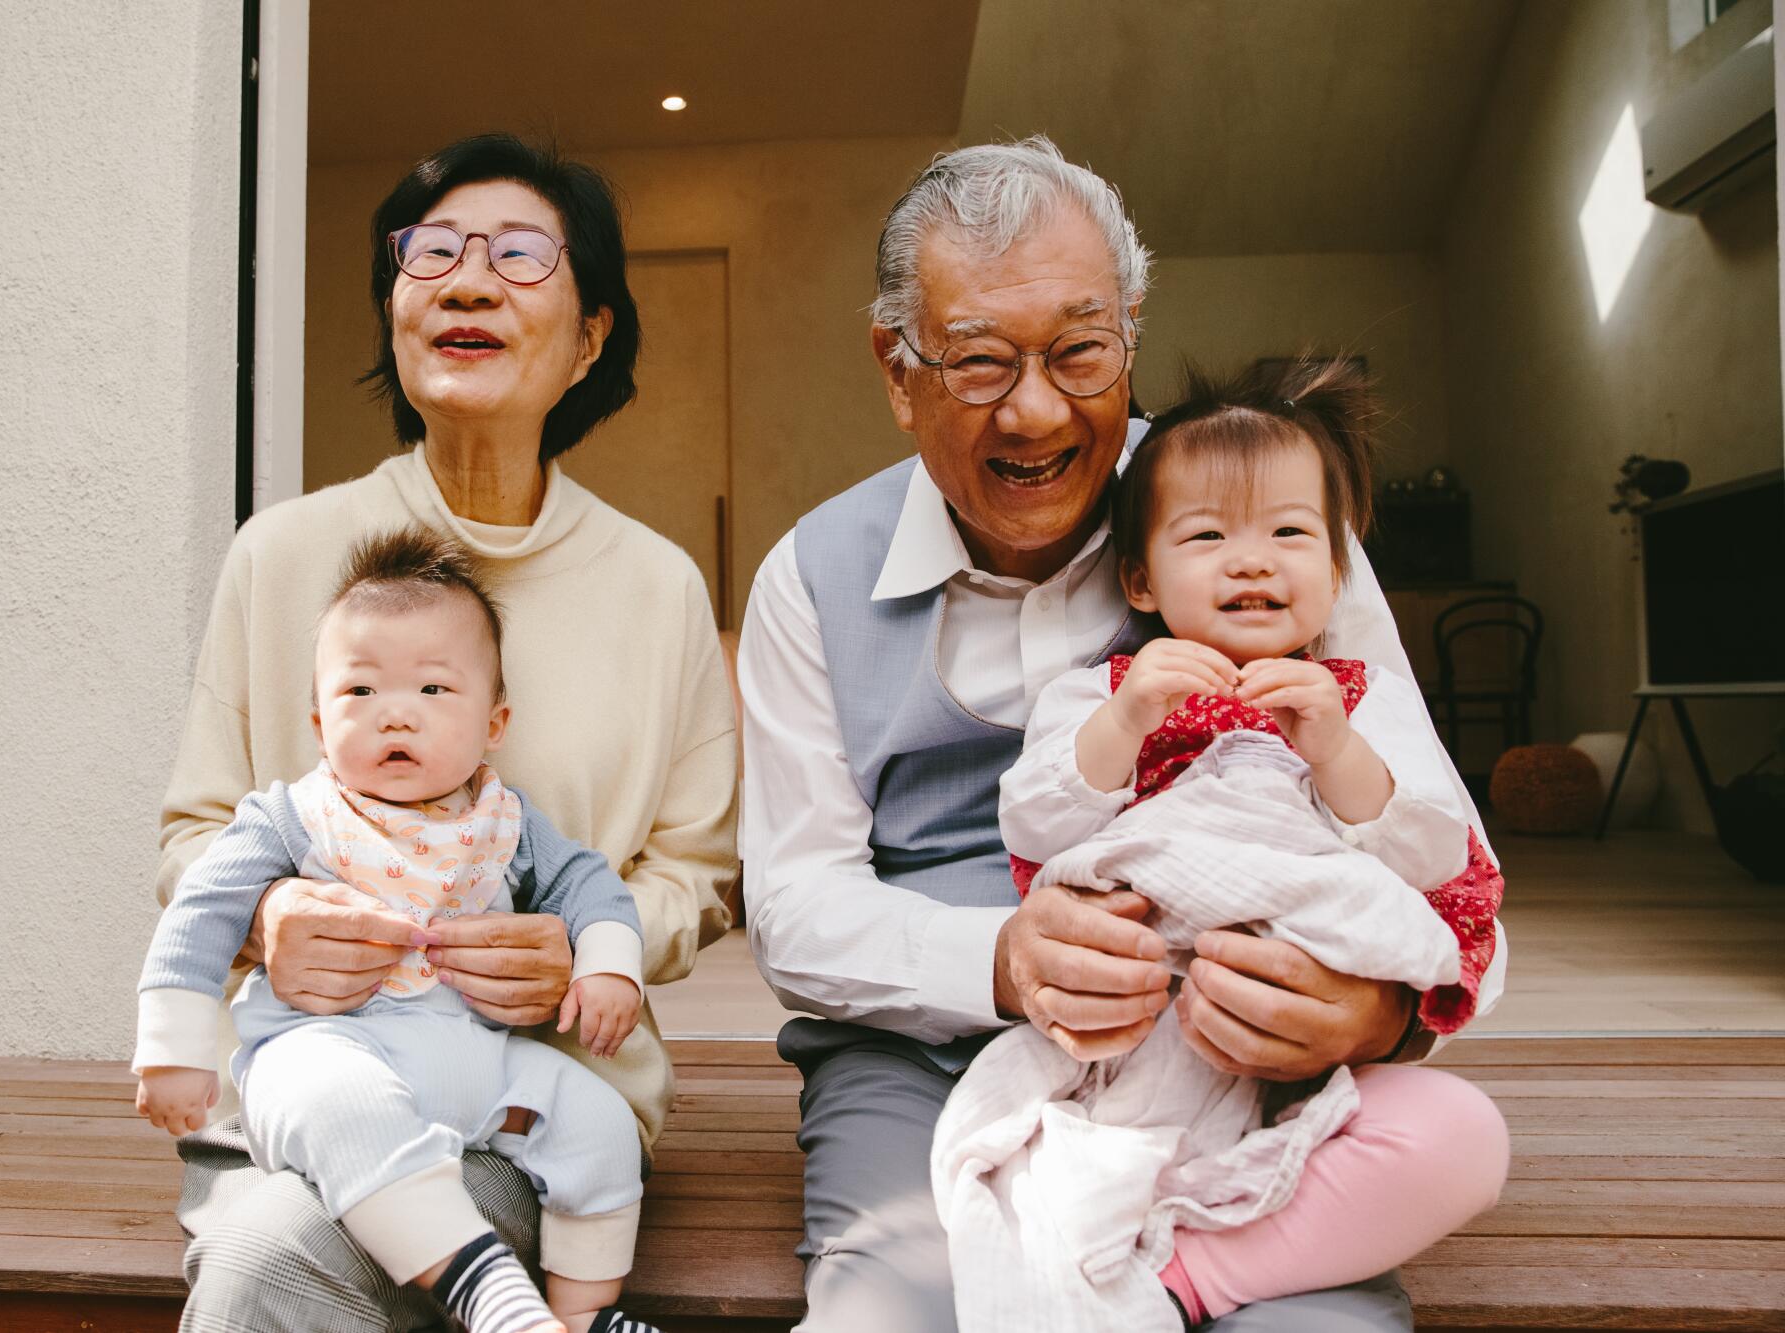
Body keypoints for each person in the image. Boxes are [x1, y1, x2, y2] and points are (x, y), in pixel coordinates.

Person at [737, 135, 1505, 1332]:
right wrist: (1000, 958)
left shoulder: (1266, 527)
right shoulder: (808, 577)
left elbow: (1447, 860)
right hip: (927, 1046)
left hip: (1242, 1054)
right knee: (895, 1313)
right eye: (979, 361)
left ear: (1130, 335)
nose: (1036, 408)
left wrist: (1379, 1013)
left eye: (1080, 351)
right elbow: (793, 902)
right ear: (897, 370)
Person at [157, 134, 738, 1332]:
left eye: (520, 255)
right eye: (430, 253)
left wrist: (580, 958)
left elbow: (697, 874)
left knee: (280, 1269)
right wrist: (269, 924)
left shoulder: (658, 585)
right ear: (394, 309)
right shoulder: (280, 556)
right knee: (274, 1247)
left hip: (535, 1097)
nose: (467, 281)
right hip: (304, 1083)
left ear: (590, 336)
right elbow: (196, 833)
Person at [931, 358, 1508, 1332]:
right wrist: (1126, 719)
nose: (1250, 560)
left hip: (1300, 1067)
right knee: (1046, 1158)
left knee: (1460, 1138)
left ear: (1335, 569)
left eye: (1288, 533)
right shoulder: (1101, 692)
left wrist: (1332, 746)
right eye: (1206, 536)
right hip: (1138, 1039)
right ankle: (1127, 1218)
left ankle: (1181, 1277)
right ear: (1141, 579)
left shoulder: (1358, 701)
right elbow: (1036, 827)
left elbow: (1428, 858)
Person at [139, 529, 662, 1333]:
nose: (395, 714)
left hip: (474, 1063)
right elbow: (199, 910)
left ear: (496, 721)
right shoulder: (295, 816)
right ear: (319, 723)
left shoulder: (506, 824)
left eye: (431, 691)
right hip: (323, 1051)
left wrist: (606, 966)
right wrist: (172, 1049)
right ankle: (493, 1297)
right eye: (359, 693)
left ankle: (583, 1312)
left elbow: (590, 886)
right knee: (339, 1100)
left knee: (593, 1118)